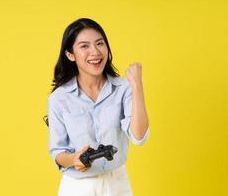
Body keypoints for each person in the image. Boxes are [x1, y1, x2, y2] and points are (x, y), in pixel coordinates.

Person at [47, 18, 150, 196]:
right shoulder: (59, 98)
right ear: (70, 55)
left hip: (117, 184)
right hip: (77, 187)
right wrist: (74, 159)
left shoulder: (123, 88)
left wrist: (137, 86)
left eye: (100, 43)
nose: (95, 52)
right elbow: (58, 152)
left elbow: (139, 137)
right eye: (84, 46)